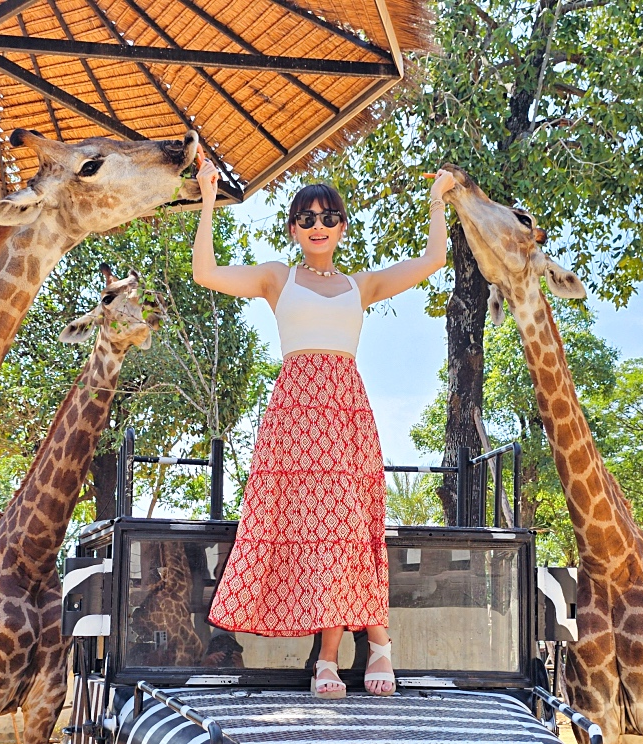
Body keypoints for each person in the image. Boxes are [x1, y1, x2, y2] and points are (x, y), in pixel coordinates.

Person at [192, 149, 453, 698]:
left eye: (329, 217)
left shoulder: (362, 285)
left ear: (341, 226)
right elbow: (205, 273)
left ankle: (346, 653)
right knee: (315, 532)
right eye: (307, 218)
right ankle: (358, 648)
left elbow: (433, 261)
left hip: (346, 412)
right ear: (293, 228)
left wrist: (437, 202)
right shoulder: (276, 277)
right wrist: (209, 197)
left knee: (349, 528)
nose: (318, 226)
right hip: (295, 414)